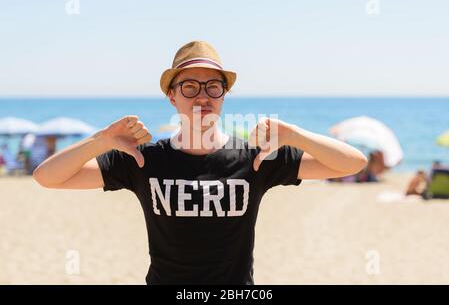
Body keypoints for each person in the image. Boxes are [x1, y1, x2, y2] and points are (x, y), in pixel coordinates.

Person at [33, 41, 368, 285]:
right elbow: (48, 177)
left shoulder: (256, 159)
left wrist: (296, 135)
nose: (203, 96)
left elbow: (352, 163)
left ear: (224, 95)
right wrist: (102, 140)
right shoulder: (143, 160)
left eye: (213, 87)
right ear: (172, 96)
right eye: (190, 87)